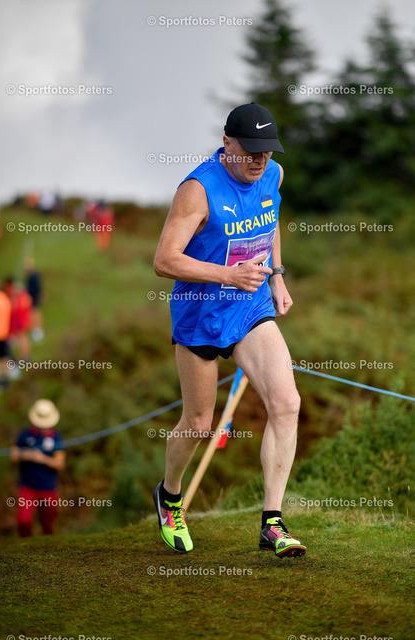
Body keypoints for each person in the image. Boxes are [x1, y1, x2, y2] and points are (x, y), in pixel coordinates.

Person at [152, 103, 306, 558]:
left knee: (286, 403)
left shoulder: (273, 174)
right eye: (250, 150)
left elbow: (269, 222)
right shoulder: (197, 190)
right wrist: (228, 275)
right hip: (200, 314)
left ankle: (272, 523)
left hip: (249, 306)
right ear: (227, 143)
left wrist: (276, 275)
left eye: (267, 150)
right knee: (199, 424)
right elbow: (164, 260)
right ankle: (170, 494)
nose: (259, 160)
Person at [10, 399, 65, 537]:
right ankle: (24, 544)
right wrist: (24, 455)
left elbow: (60, 464)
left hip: (48, 488)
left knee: (48, 522)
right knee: (24, 521)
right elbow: (13, 456)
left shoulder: (56, 437)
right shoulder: (25, 435)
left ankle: (47, 545)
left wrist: (42, 458)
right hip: (27, 487)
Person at [24, 258, 44, 342]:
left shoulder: (34, 275)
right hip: (31, 297)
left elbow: (38, 287)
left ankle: (38, 330)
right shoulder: (29, 275)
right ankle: (35, 329)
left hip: (34, 297)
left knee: (36, 313)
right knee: (33, 313)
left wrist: (38, 295)